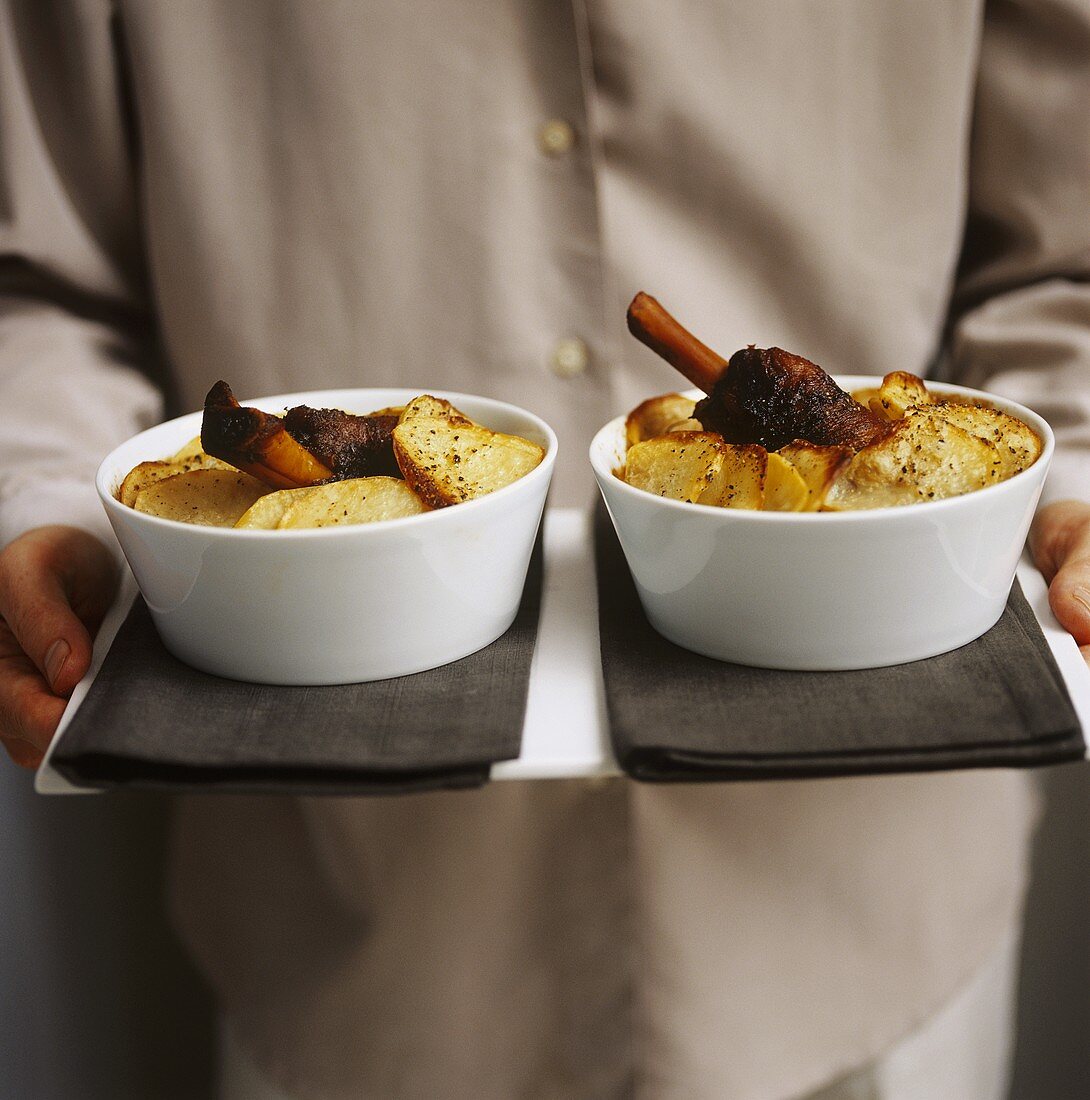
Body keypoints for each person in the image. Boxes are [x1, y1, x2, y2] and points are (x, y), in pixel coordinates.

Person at [1, 1, 1088, 1097]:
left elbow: (1065, 258)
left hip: (874, 926)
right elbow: (38, 279)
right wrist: (46, 496)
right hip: (355, 946)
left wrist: (1074, 477)